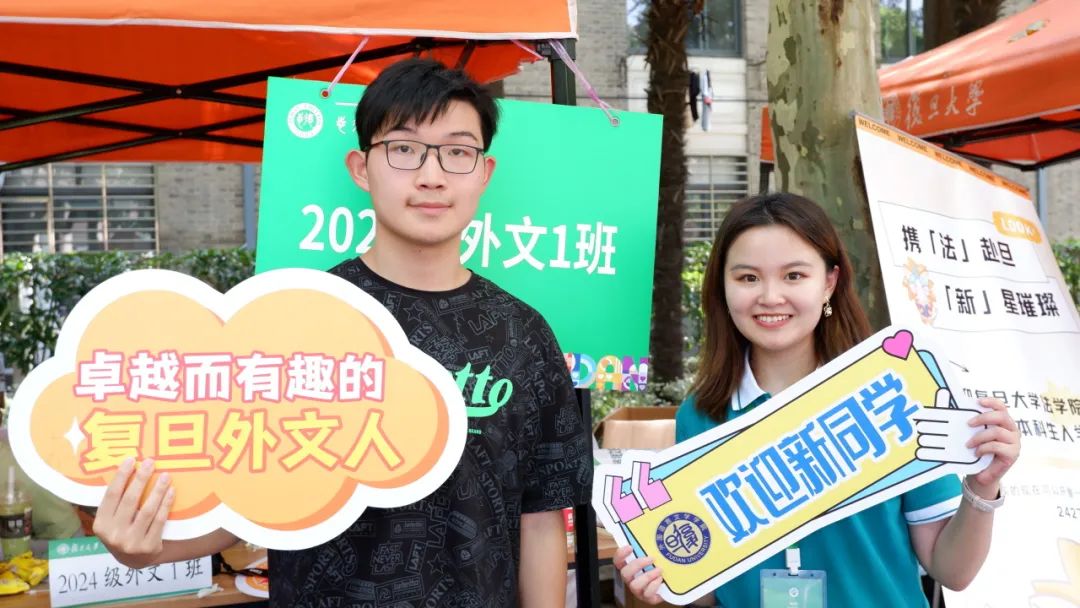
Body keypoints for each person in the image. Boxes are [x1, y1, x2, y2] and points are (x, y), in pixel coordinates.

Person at [91, 58, 592, 607]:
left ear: (484, 172)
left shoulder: (522, 334)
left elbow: (539, 518)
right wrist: (146, 549)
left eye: (457, 152)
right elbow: (246, 500)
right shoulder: (296, 319)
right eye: (404, 148)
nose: (431, 175)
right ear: (361, 167)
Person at [615, 192, 1020, 607]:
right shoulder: (701, 415)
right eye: (748, 278)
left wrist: (982, 487)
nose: (770, 296)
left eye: (793, 275)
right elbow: (712, 589)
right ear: (723, 286)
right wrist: (663, 579)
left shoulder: (892, 394)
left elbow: (952, 570)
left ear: (829, 282)